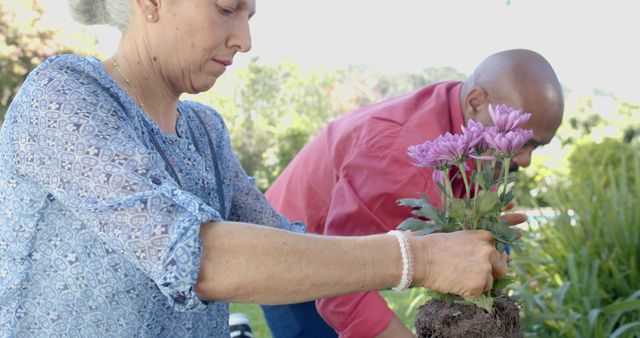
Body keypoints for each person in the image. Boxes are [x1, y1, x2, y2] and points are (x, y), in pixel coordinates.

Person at [0, 0, 517, 336]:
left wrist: (453, 233)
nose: (244, 40)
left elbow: (286, 247)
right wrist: (419, 259)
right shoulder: (65, 95)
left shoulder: (204, 129)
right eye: (227, 9)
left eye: (250, 16)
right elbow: (197, 258)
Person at [262, 49, 564, 338]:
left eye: (536, 145)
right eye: (521, 140)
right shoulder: (398, 157)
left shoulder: (471, 122)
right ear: (475, 101)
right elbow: (341, 290)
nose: (525, 160)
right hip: (288, 245)